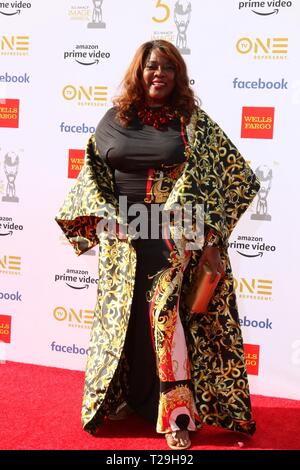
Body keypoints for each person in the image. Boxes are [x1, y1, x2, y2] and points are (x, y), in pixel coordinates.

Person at [55, 40, 260, 450]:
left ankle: (177, 415)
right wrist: (98, 218)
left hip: (173, 237)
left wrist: (212, 237)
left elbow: (235, 176)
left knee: (166, 322)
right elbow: (92, 173)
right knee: (127, 322)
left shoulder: (192, 122)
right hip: (123, 240)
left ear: (178, 75)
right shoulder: (114, 120)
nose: (159, 74)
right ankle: (132, 400)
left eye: (168, 67)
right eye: (152, 66)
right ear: (139, 71)